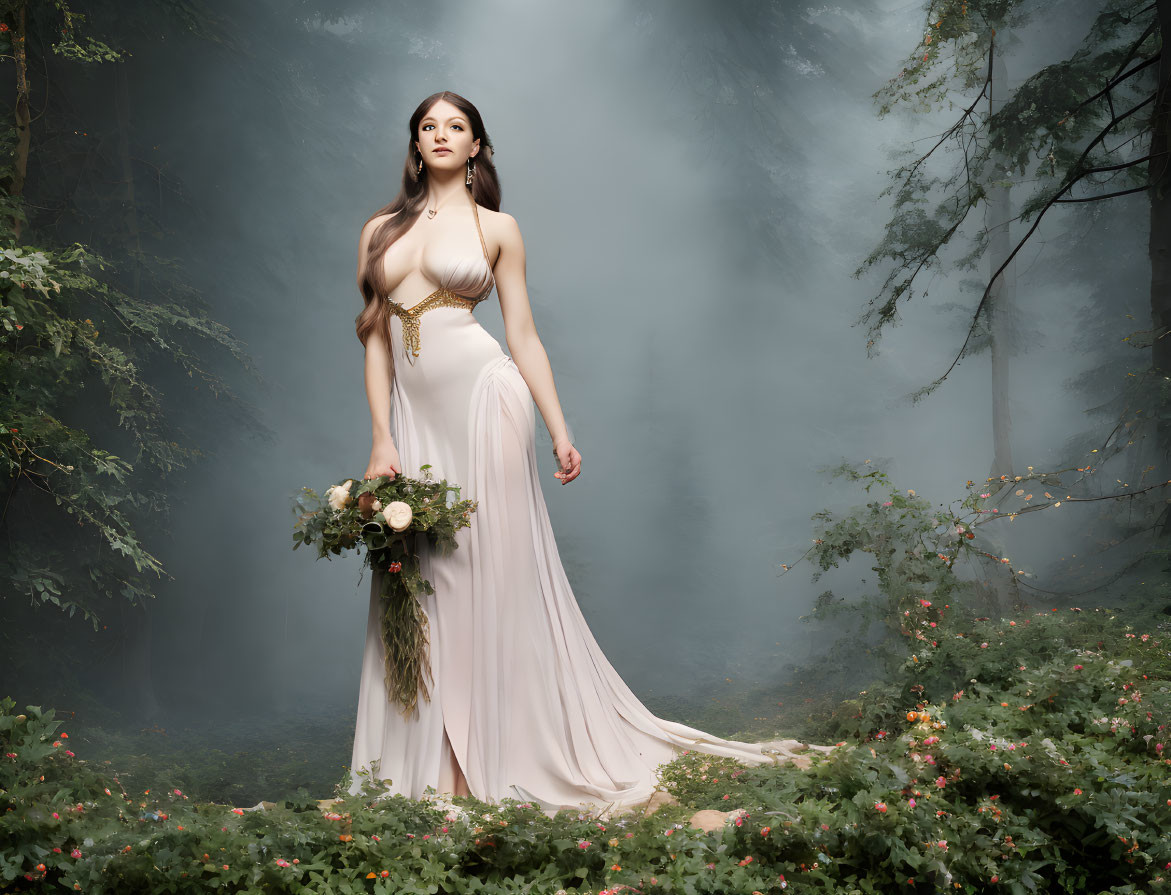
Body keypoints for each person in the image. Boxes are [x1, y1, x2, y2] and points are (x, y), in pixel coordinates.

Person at [348, 90, 829, 818]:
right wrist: (381, 437)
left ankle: (490, 756)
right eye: (427, 126)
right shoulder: (379, 232)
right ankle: (428, 758)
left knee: (484, 569)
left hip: (486, 401)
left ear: (476, 146)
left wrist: (558, 427)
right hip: (414, 421)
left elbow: (524, 335)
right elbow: (376, 339)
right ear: (414, 147)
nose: (441, 135)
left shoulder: (498, 227)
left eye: (456, 126)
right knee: (414, 567)